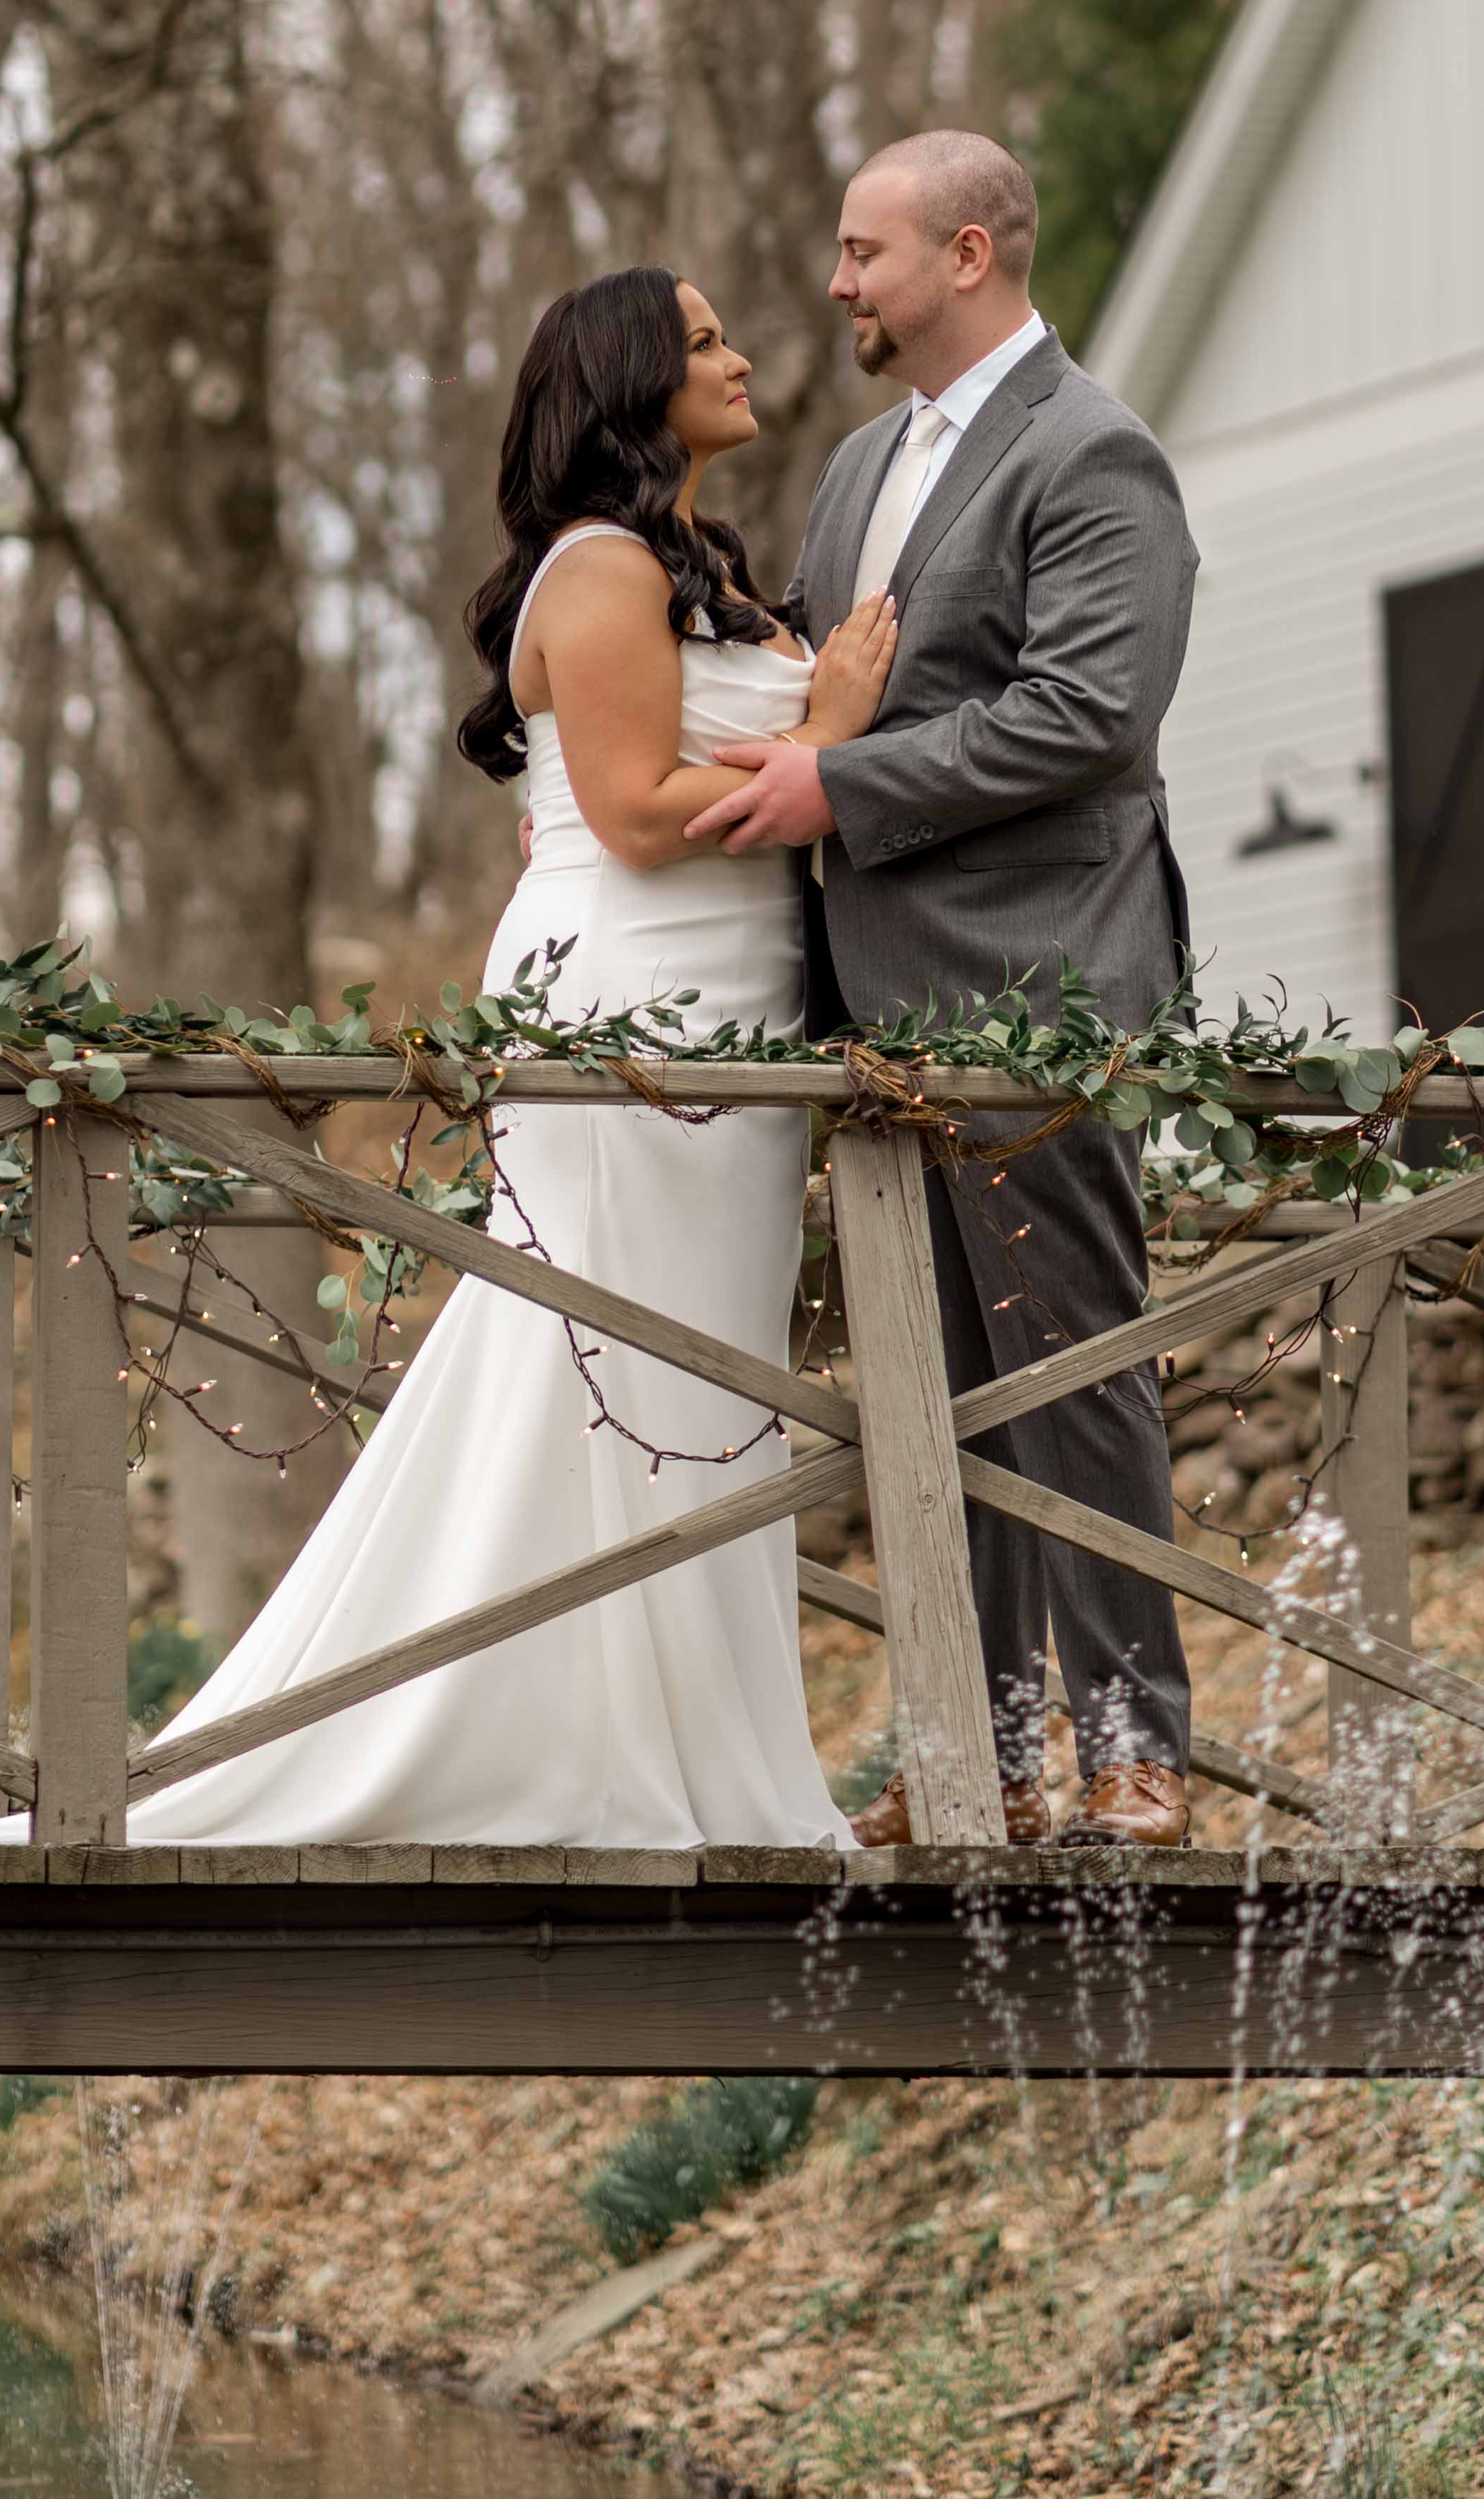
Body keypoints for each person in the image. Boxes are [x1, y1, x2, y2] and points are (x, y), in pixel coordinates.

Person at [116, 266, 894, 1848]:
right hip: (632, 987)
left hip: (733, 996)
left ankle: (690, 1752)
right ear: (628, 382)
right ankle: (562, 1745)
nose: (740, 356)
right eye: (702, 341)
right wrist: (830, 738)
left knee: (697, 1358)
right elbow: (635, 813)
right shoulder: (600, 565)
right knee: (611, 1344)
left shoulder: (694, 566)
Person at [687, 133, 1200, 1850]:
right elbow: (814, 676)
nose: (836, 281)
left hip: (1034, 986)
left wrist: (839, 786)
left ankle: (1132, 1751)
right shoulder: (855, 465)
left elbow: (1089, 713)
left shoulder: (1092, 449)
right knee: (931, 1392)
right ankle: (974, 1757)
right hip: (871, 1000)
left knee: (1070, 1367)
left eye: (864, 251)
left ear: (965, 252)